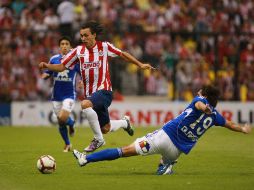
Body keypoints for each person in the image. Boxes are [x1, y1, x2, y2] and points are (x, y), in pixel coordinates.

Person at [72, 85, 252, 175]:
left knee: (123, 151)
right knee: (164, 162)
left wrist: (202, 107)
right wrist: (243, 129)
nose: (197, 93)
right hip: (177, 151)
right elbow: (230, 124)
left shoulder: (201, 102)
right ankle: (165, 167)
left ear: (204, 95)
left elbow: (198, 104)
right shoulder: (216, 116)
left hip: (164, 137)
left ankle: (86, 159)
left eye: (199, 92)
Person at [39, 21, 155, 152]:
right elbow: (61, 66)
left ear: (94, 35)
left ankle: (98, 140)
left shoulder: (104, 47)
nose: (83, 38)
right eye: (81, 36)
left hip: (104, 91)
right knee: (105, 128)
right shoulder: (78, 51)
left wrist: (140, 64)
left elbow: (122, 54)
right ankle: (125, 123)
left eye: (86, 35)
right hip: (91, 94)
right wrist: (47, 66)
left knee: (85, 104)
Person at [41, 36, 80, 152]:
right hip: (56, 95)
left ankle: (71, 123)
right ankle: (68, 143)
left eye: (66, 44)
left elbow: (82, 73)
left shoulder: (75, 60)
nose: (64, 46)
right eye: (62, 44)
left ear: (70, 46)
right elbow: (48, 72)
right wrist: (45, 75)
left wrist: (82, 81)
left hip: (69, 94)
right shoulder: (54, 59)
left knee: (63, 117)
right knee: (60, 122)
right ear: (59, 47)